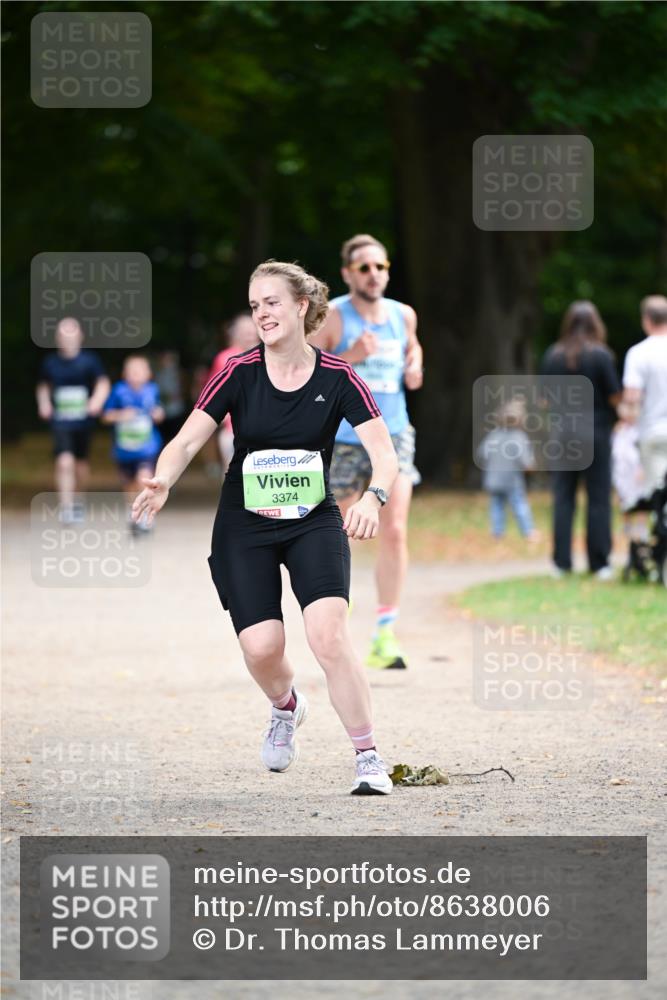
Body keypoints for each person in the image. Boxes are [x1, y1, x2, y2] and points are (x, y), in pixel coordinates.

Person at [131, 260, 399, 795]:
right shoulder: (238, 371)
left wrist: (373, 497)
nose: (262, 314)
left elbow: (384, 454)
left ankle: (368, 758)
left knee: (328, 635)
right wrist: (163, 479)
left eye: (271, 302)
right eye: (255, 306)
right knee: (262, 647)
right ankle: (286, 707)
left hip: (312, 521)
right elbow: (186, 441)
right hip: (244, 522)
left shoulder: (339, 377)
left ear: (302, 306)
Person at [309, 234, 423, 670]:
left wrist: (415, 367)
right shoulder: (334, 317)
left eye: (380, 266)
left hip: (394, 436)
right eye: (364, 268)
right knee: (336, 531)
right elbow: (308, 373)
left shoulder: (403, 315)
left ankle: (385, 634)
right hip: (342, 438)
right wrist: (350, 357)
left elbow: (413, 354)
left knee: (394, 531)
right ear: (347, 274)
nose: (373, 274)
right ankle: (338, 614)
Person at [541, 301, 621, 579]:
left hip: (563, 433)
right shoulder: (601, 355)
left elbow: (542, 399)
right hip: (595, 432)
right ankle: (599, 563)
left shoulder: (554, 355)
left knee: (563, 498)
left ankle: (561, 563)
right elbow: (615, 396)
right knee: (598, 498)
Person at [35, 317, 110, 522]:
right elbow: (43, 386)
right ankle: (66, 507)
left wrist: (96, 401)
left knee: (81, 466)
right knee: (64, 461)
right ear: (57, 338)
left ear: (80, 336)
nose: (67, 339)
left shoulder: (90, 360)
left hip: (83, 421)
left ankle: (78, 500)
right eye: (63, 335)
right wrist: (44, 404)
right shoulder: (50, 362)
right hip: (61, 421)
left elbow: (103, 383)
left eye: (71, 334)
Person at [102, 355, 165, 533]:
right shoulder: (118, 391)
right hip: (124, 449)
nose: (136, 375)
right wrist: (122, 415)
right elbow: (106, 416)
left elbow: (159, 411)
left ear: (148, 374)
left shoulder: (152, 390)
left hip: (147, 447)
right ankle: (134, 512)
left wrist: (158, 414)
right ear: (124, 374)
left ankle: (146, 517)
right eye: (132, 371)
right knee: (129, 484)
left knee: (144, 478)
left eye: (140, 371)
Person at [622, 295, 667, 495]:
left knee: (658, 494)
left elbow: (632, 397)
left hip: (653, 432)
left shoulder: (638, 353)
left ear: (646, 319)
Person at [476, 399, 539, 542]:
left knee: (496, 506)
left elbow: (482, 454)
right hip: (512, 480)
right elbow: (526, 462)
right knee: (519, 505)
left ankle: (497, 533)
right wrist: (531, 468)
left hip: (493, 479)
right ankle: (528, 532)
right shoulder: (519, 437)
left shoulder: (493, 435)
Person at [208, 313, 260, 473]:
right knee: (233, 476)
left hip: (264, 428)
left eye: (251, 329)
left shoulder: (270, 355)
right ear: (235, 334)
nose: (248, 334)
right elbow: (214, 393)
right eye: (244, 330)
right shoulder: (224, 358)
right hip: (233, 430)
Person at [154, 350, 186, 443]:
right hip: (163, 412)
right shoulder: (158, 374)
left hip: (176, 410)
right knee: (164, 439)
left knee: (176, 439)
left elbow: (184, 389)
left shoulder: (178, 373)